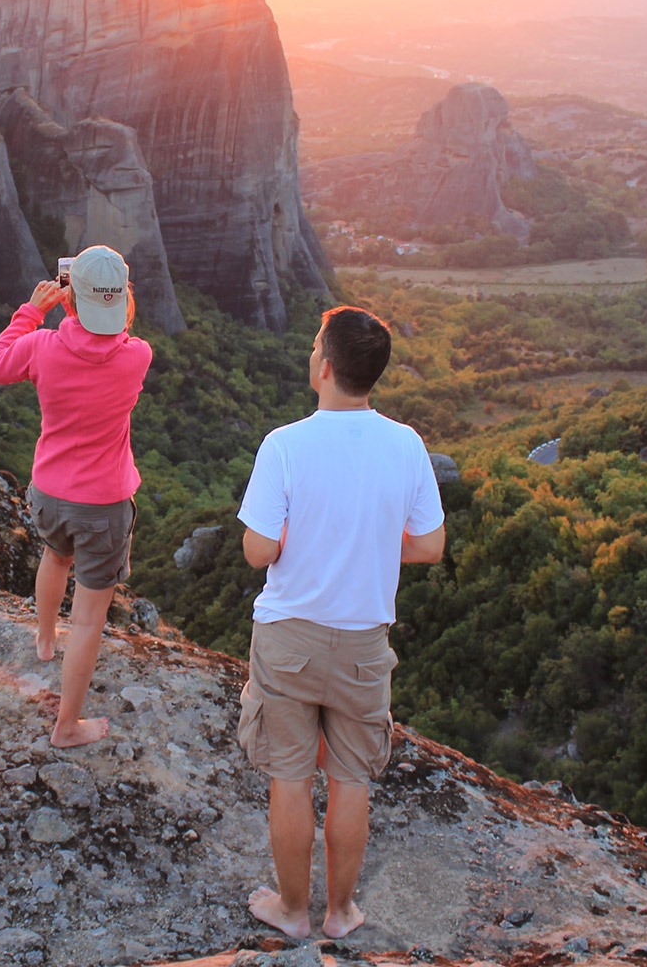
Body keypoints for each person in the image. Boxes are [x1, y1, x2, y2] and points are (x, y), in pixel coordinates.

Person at [235, 305, 447, 940]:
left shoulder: (285, 445)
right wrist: (375, 543)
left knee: (290, 775)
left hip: (290, 637)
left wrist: (305, 540)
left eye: (312, 346)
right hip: (362, 643)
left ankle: (293, 911)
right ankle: (340, 912)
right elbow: (431, 545)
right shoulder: (406, 443)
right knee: (351, 777)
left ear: (324, 368)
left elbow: (258, 550)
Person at [0, 245, 152, 748]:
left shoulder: (42, 347)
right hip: (104, 506)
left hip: (49, 493)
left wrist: (34, 310)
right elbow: (117, 332)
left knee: (55, 557)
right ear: (122, 301)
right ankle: (66, 727)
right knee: (90, 619)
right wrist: (106, 301)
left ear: (69, 301)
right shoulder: (137, 356)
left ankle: (43, 639)